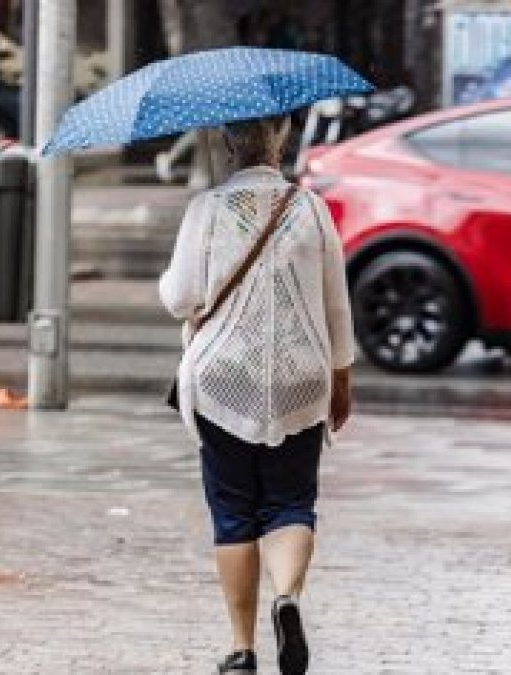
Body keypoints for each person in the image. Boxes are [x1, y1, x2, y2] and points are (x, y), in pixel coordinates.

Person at [159, 114, 355, 675]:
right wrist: (341, 382)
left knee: (233, 512)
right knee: (291, 504)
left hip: (223, 381)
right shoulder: (311, 210)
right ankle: (287, 596)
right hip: (302, 379)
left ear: (227, 145)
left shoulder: (207, 210)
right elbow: (337, 304)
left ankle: (242, 649)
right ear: (283, 138)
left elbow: (179, 298)